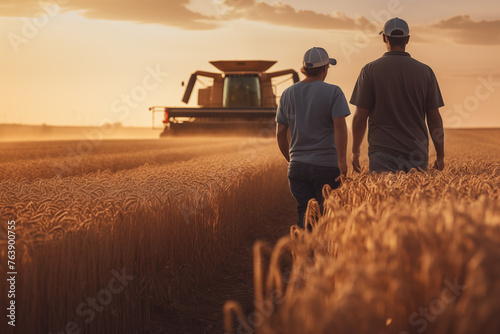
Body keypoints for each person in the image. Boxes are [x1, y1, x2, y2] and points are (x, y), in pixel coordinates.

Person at [350, 17, 445, 173]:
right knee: (415, 197)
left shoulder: (369, 71)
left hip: (381, 153)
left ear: (384, 38)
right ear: (407, 39)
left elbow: (360, 117)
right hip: (416, 153)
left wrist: (355, 152)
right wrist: (440, 156)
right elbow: (434, 118)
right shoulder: (425, 72)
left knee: (384, 197)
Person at [276, 47, 350, 229]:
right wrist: (342, 161)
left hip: (297, 167)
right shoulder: (334, 92)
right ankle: (321, 255)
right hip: (326, 167)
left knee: (305, 211)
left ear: (305, 69)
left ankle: (305, 254)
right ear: (325, 69)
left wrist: (291, 159)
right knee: (325, 215)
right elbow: (340, 127)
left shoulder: (287, 94)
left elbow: (280, 133)